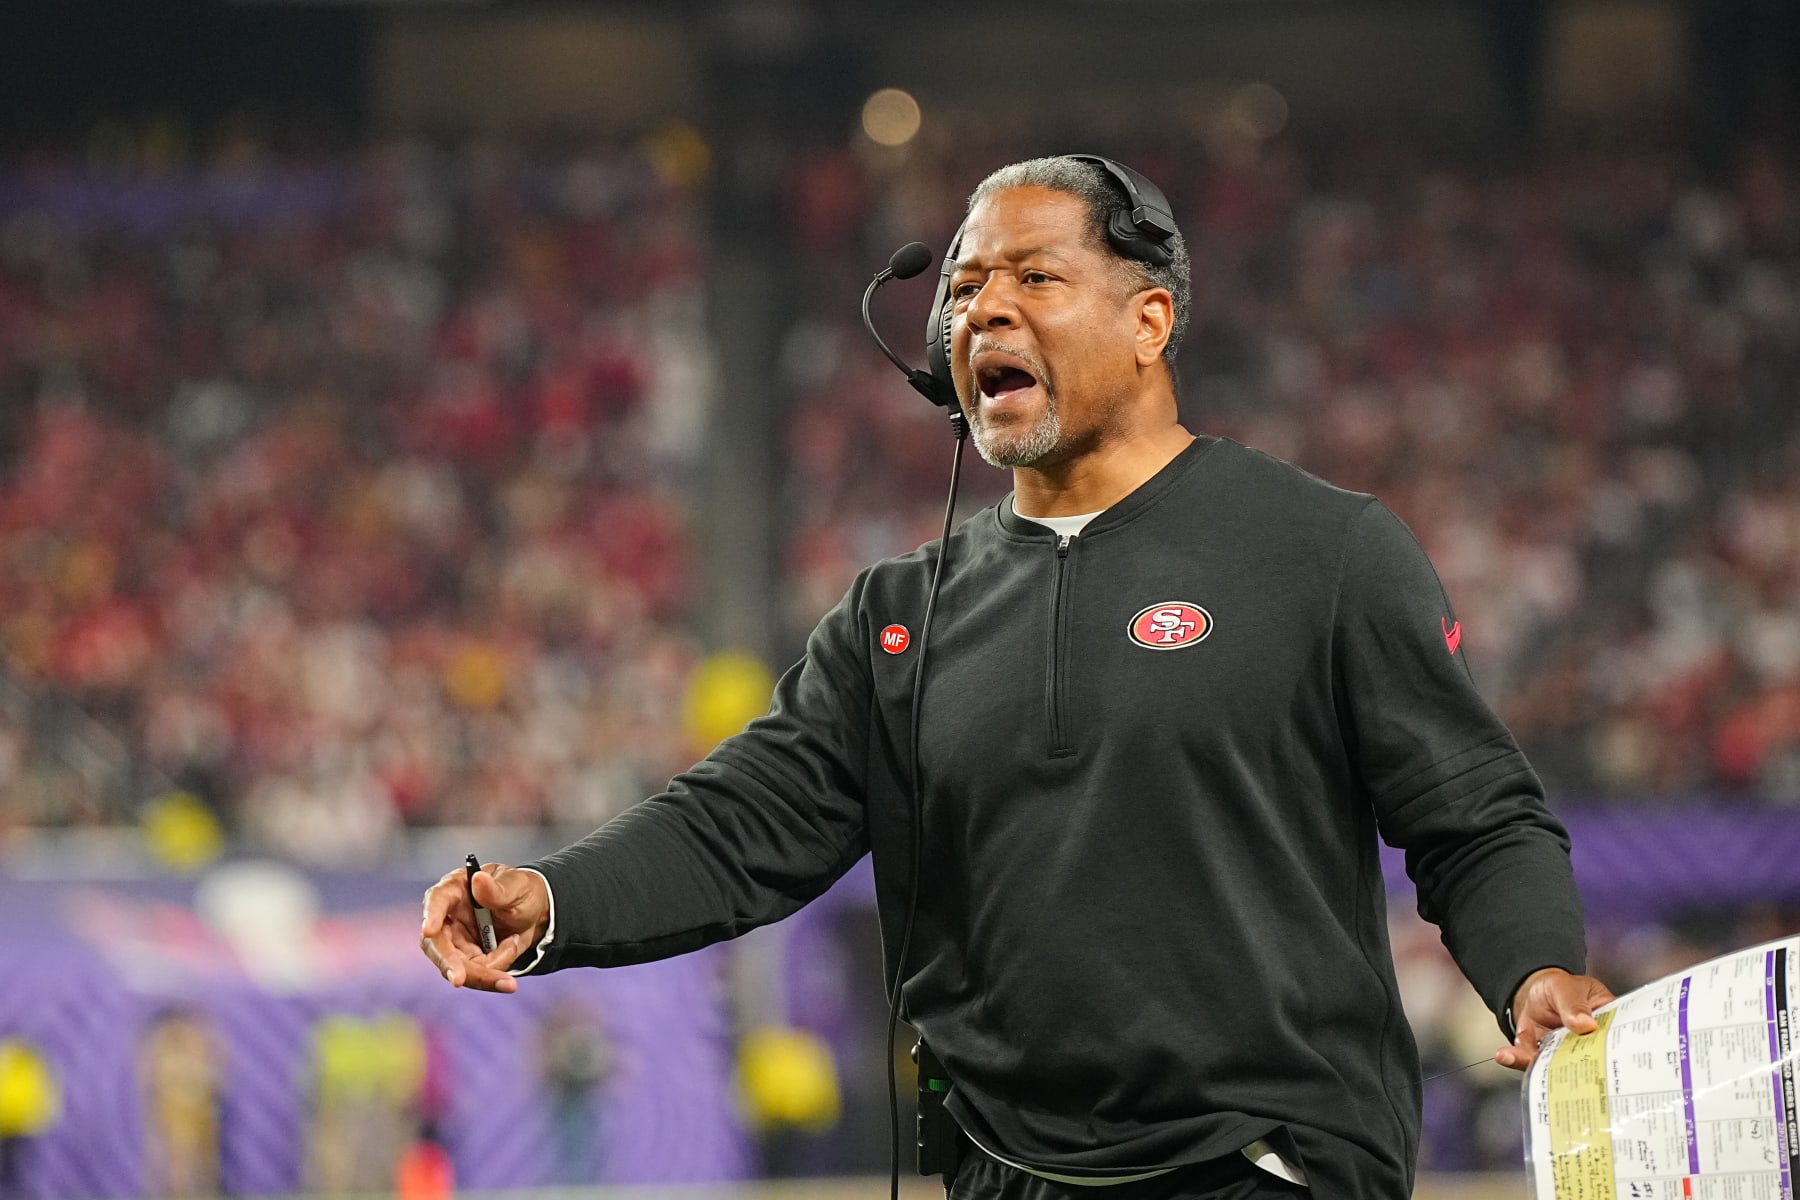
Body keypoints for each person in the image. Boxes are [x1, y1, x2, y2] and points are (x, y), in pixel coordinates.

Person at [421, 155, 1613, 1199]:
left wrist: (1533, 966)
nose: (983, 308)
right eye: (961, 287)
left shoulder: (1325, 553)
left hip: (1270, 1163)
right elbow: (741, 823)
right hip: (1008, 1173)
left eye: (1033, 278)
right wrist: (554, 902)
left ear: (1150, 322)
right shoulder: (897, 615)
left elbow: (1471, 810)